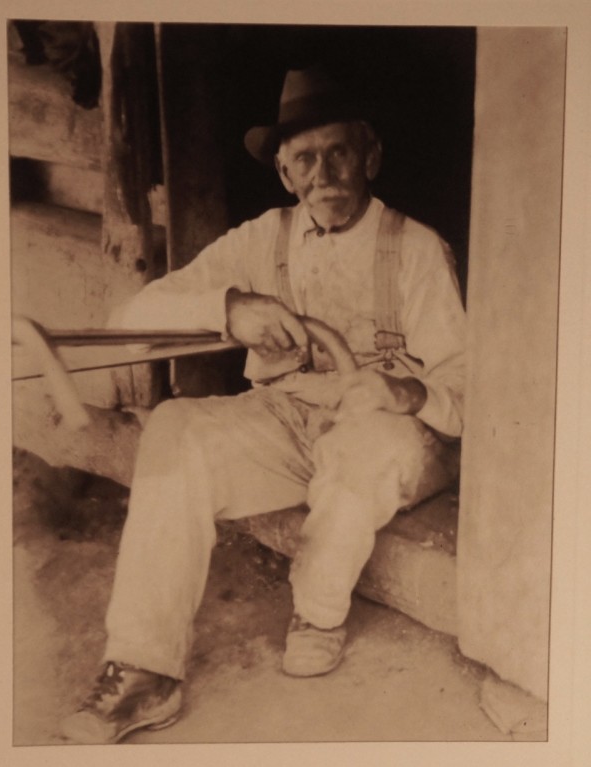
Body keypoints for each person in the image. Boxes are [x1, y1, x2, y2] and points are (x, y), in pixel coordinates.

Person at [60, 65, 466, 744]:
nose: (325, 172)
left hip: (392, 433)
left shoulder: (417, 249)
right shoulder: (263, 238)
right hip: (290, 423)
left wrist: (406, 389)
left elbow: (470, 385)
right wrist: (230, 307)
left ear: (371, 155)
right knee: (175, 428)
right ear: (284, 174)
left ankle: (319, 611)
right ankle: (143, 669)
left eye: (339, 152)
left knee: (363, 447)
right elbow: (134, 311)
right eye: (305, 158)